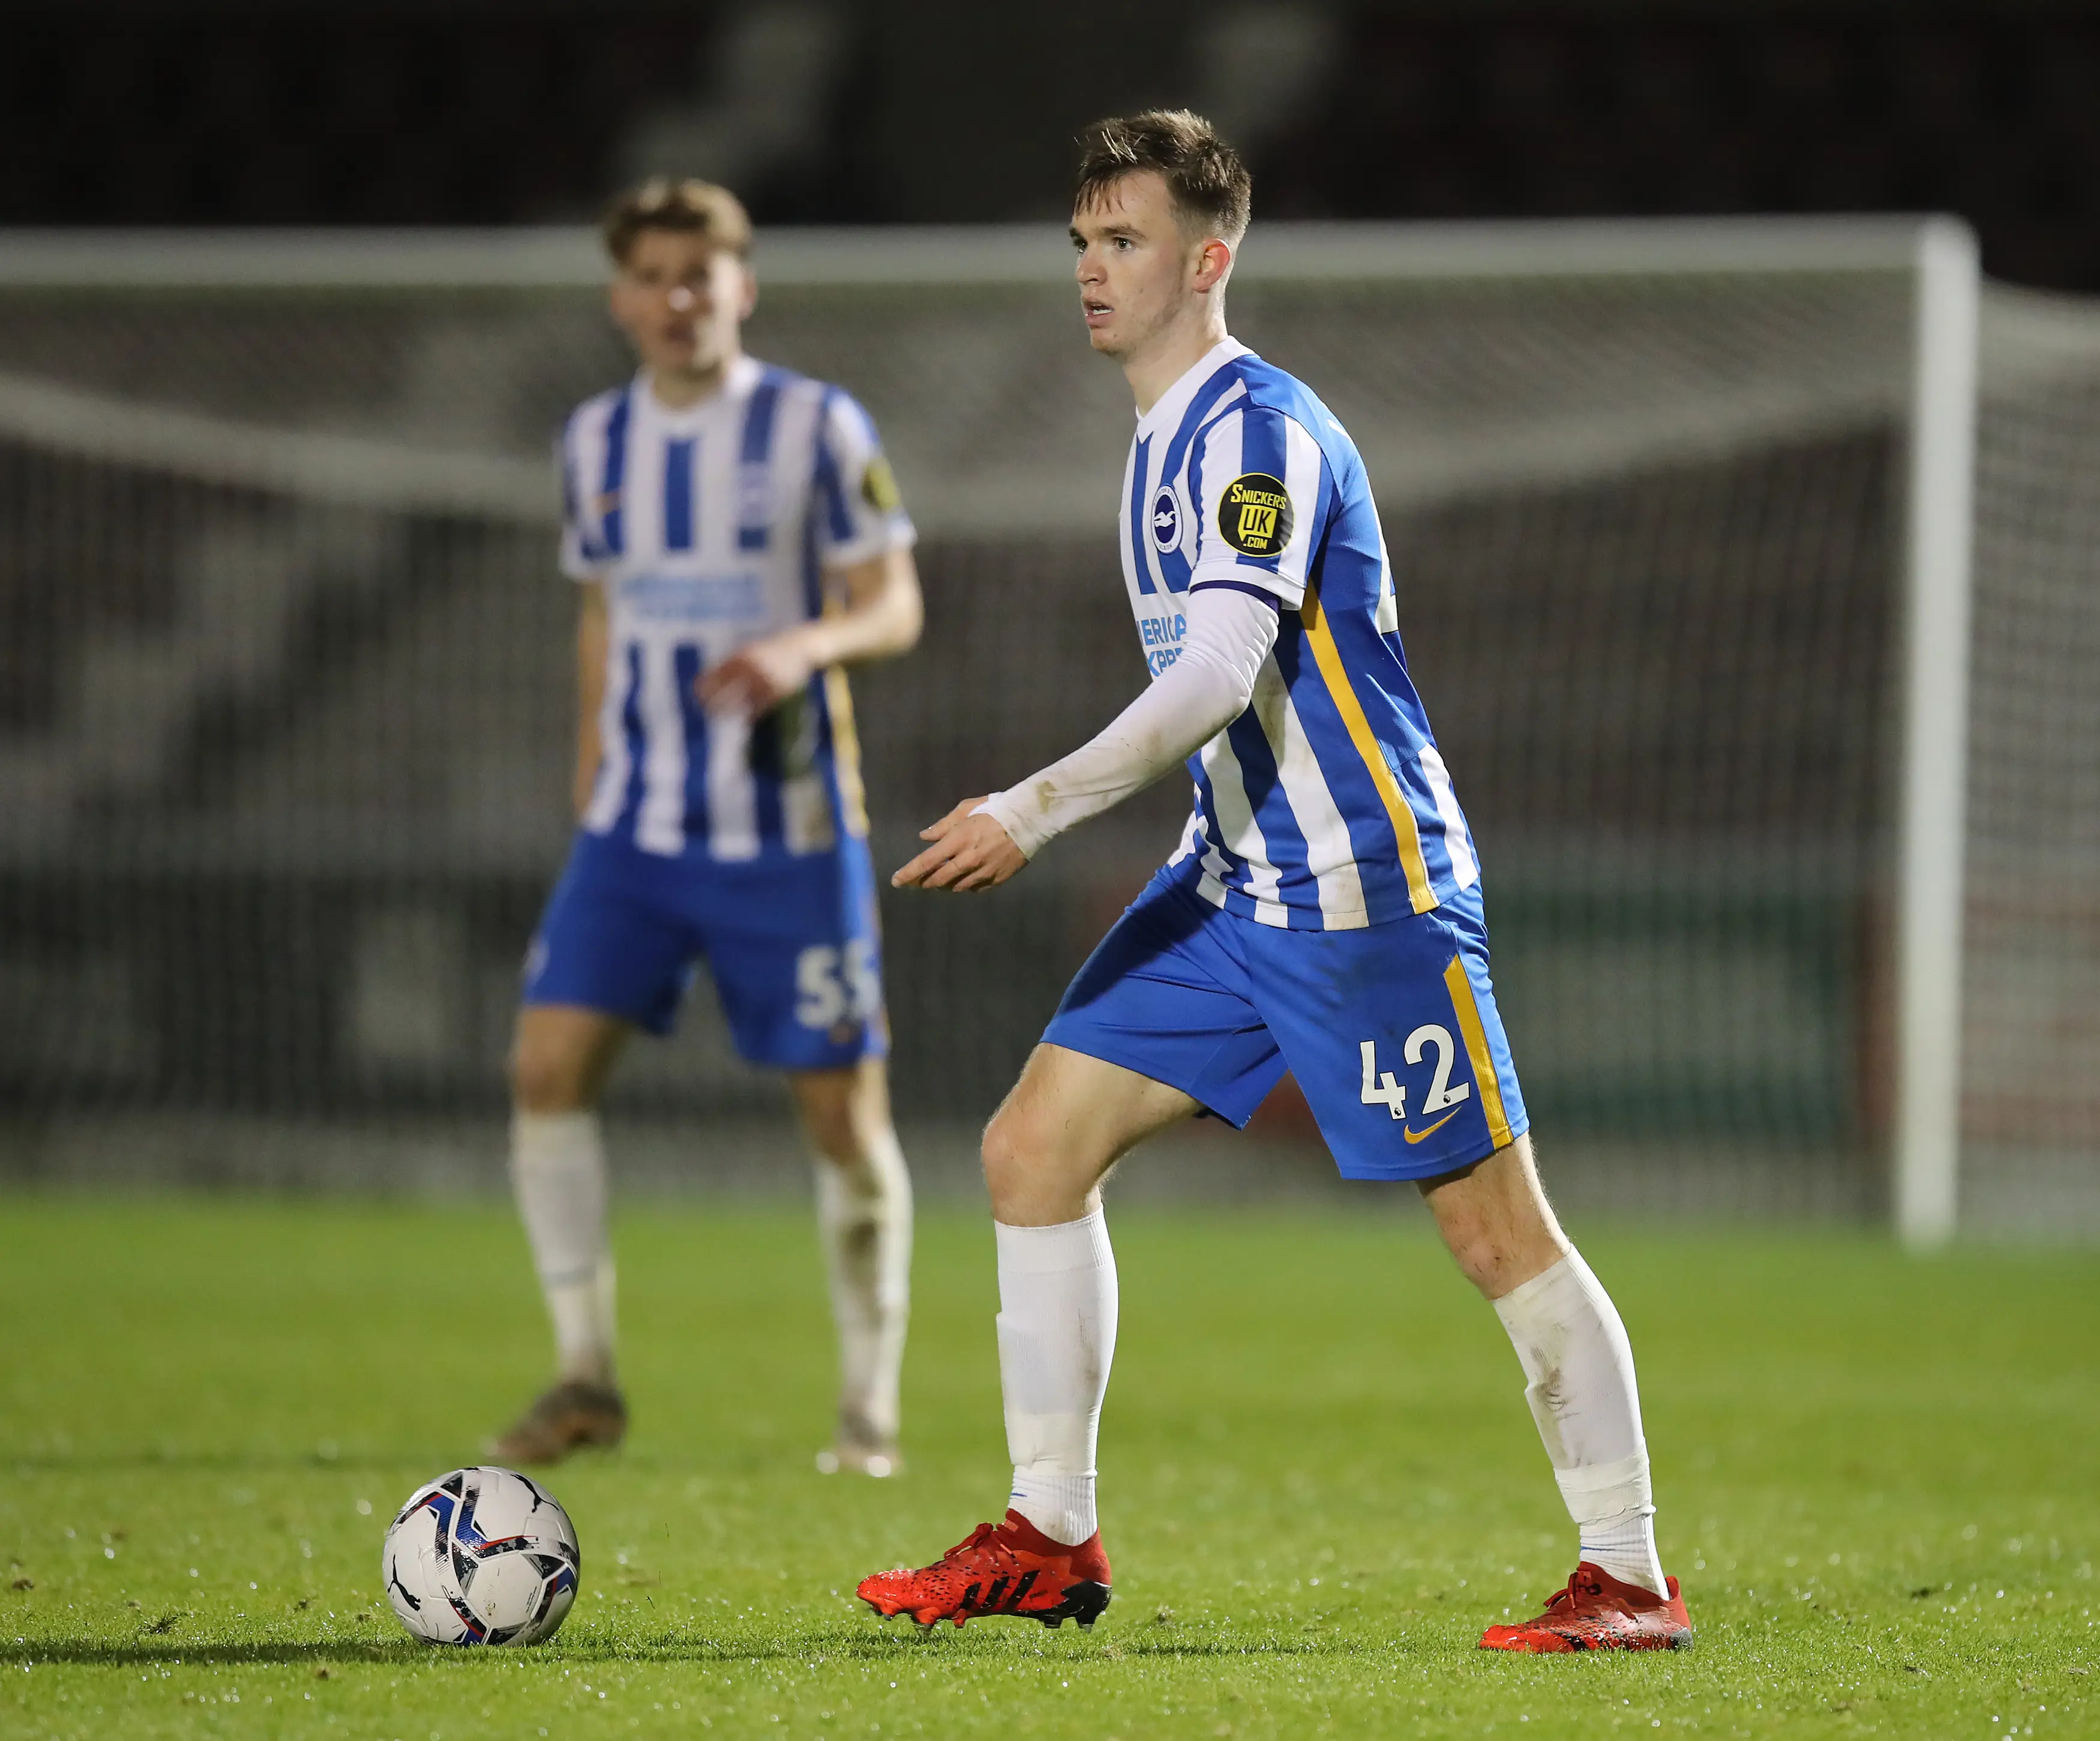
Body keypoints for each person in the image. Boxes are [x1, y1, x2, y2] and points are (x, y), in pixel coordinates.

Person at [854, 113, 1690, 1650]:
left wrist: (1033, 811)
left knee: (1497, 1231)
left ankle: (1628, 1576)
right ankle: (1050, 1533)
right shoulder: (1158, 431)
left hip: (1364, 892)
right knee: (1032, 1149)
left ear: (1208, 258)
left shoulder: (1256, 431)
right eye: (1083, 243)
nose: (1093, 272)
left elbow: (1223, 671)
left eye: (1125, 243)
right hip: (1236, 884)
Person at [492, 179, 922, 1478]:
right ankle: (583, 1375)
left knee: (844, 1122)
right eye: (655, 277)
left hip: (788, 835)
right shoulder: (592, 443)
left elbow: (892, 601)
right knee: (543, 1075)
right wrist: (588, 785)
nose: (679, 299)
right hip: (633, 833)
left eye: (702, 274)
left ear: (743, 285)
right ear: (621, 298)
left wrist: (808, 641)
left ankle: (867, 1409)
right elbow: (600, 616)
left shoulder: (813, 427)